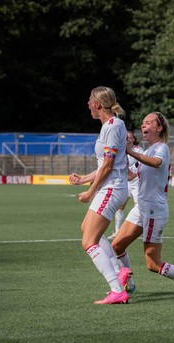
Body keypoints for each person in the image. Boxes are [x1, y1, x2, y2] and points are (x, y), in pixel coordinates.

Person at [111, 112, 174, 298]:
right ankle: (130, 285)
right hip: (141, 208)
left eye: (149, 123)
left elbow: (157, 163)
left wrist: (129, 151)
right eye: (143, 123)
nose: (144, 126)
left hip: (154, 211)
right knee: (117, 247)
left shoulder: (161, 148)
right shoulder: (145, 151)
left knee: (153, 264)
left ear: (159, 128)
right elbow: (131, 173)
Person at [69, 86, 132, 305]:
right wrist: (84, 179)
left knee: (88, 241)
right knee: (87, 230)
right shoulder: (108, 126)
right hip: (109, 186)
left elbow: (108, 166)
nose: (87, 104)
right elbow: (104, 165)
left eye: (89, 100)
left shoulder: (114, 126)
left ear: (97, 103)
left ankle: (117, 289)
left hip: (112, 188)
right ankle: (119, 272)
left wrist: (90, 191)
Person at [108, 130, 143, 239]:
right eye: (125, 137)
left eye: (130, 138)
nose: (127, 139)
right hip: (125, 182)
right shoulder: (120, 151)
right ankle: (118, 232)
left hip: (137, 182)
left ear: (133, 139)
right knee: (120, 207)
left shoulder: (138, 150)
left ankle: (139, 229)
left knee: (140, 206)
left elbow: (129, 164)